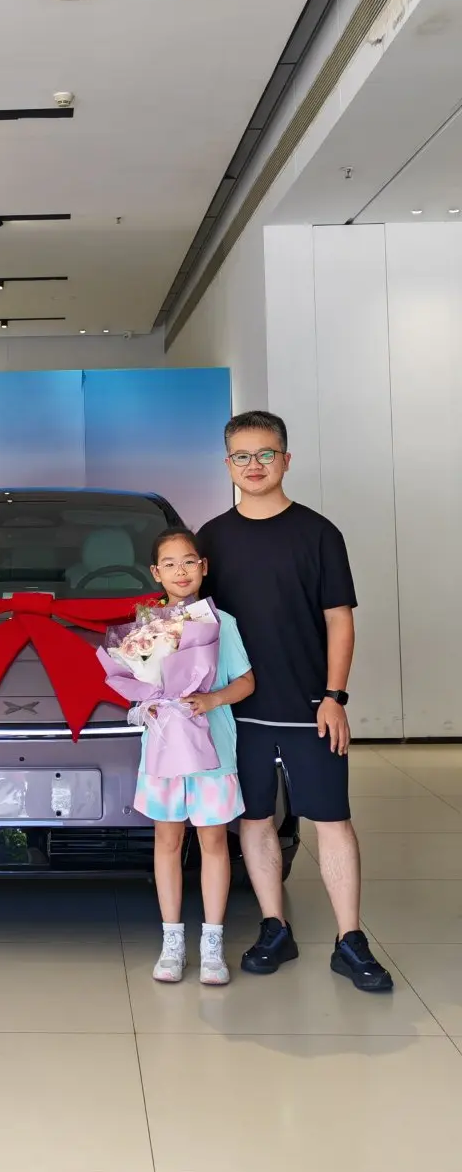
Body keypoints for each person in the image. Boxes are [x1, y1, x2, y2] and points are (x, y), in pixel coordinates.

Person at [197, 410, 393, 993]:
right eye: (242, 456)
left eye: (265, 454)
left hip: (311, 708)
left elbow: (339, 620)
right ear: (227, 464)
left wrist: (334, 696)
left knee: (332, 820)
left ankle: (350, 939)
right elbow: (197, 625)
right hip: (239, 711)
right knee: (255, 819)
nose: (254, 465)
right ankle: (274, 927)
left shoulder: (319, 533)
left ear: (286, 459)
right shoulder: (211, 539)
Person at [136, 527, 254, 986]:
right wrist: (144, 706)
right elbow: (140, 687)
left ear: (203, 567)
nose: (180, 571)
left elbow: (246, 682)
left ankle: (212, 943)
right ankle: (172, 941)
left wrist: (212, 699)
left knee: (213, 842)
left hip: (212, 751)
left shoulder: (222, 623)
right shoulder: (147, 626)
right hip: (164, 751)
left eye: (189, 561)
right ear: (156, 572)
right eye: (169, 564)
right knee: (166, 842)